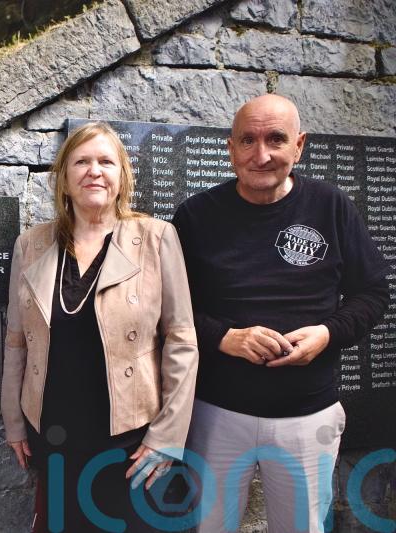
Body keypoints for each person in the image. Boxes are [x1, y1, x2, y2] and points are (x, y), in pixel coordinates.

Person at [172, 94, 389, 533]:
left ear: (299, 145)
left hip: (308, 416)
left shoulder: (331, 206)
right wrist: (223, 337)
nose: (262, 154)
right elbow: (170, 307)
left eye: (276, 139)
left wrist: (327, 334)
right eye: (247, 140)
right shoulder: (195, 216)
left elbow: (373, 293)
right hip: (216, 414)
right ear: (230, 148)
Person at [1, 122, 198, 531]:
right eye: (82, 161)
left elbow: (182, 341)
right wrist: (15, 421)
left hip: (129, 440)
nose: (95, 171)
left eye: (106, 161)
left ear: (122, 175)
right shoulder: (31, 245)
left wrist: (166, 436)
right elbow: (17, 342)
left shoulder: (157, 238)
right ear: (65, 178)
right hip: (52, 433)